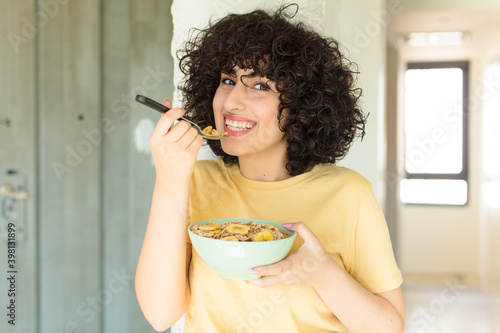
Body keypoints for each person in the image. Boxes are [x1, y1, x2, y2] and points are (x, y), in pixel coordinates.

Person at [135, 4, 405, 332]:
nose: (232, 101)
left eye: (260, 85)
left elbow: (389, 327)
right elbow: (159, 315)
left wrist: (325, 276)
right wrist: (169, 179)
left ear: (301, 105)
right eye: (227, 80)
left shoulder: (349, 194)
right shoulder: (194, 181)